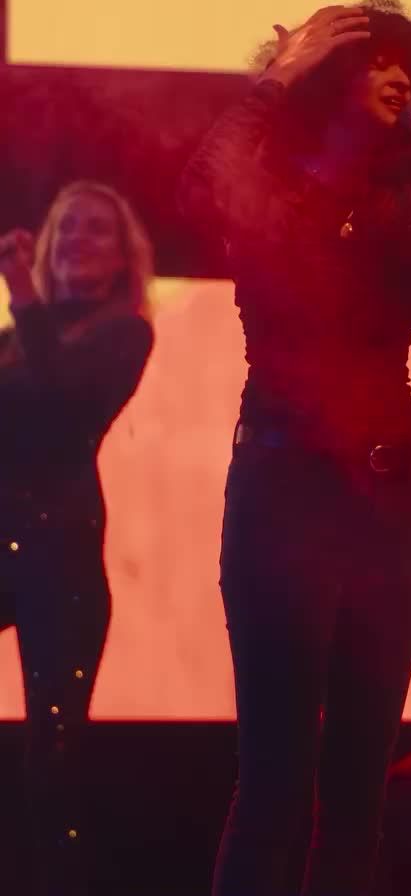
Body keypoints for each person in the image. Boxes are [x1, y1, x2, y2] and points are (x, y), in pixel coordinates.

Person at [179, 0, 411, 896]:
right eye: (374, 59)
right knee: (276, 787)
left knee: (356, 800)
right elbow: (197, 189)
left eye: (407, 63)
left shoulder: (407, 203)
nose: (399, 76)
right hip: (286, 494)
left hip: (393, 505)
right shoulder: (267, 191)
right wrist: (278, 79)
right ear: (328, 81)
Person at [0, 180, 154, 896]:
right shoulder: (14, 340)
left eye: (96, 229)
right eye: (66, 228)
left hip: (59, 563)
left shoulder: (123, 335)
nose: (76, 240)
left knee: (53, 763)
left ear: (124, 259)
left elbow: (61, 408)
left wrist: (22, 296)